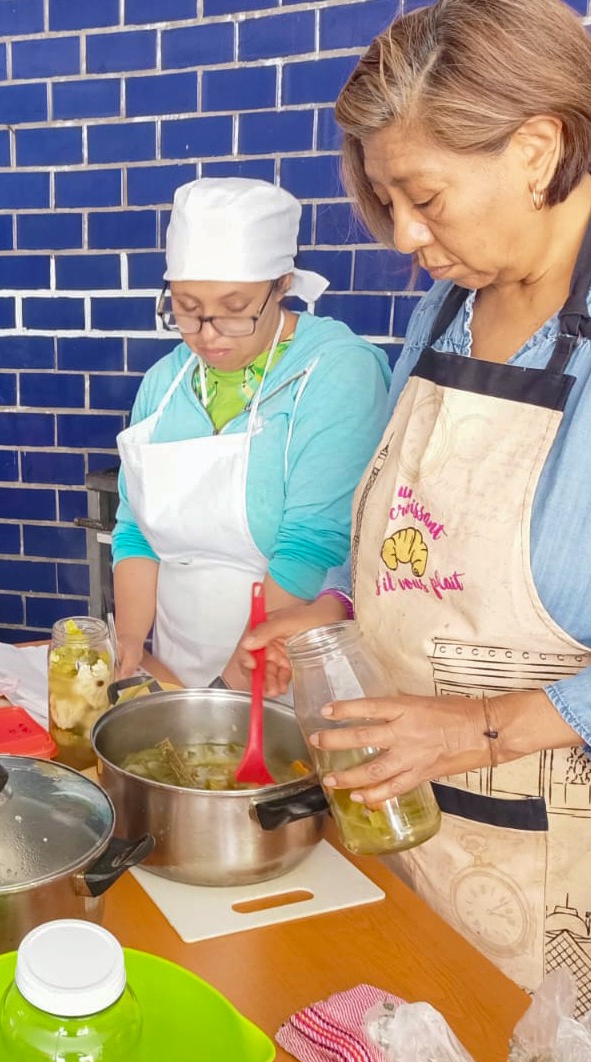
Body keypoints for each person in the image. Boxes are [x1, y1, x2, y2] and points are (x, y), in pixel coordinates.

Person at [223, 2, 591, 1062]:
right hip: (397, 820)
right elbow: (424, 537)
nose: (403, 236)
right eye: (384, 200)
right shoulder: (450, 307)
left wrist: (476, 728)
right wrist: (338, 612)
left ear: (537, 148)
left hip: (559, 870)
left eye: (423, 198)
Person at [110, 177, 391, 687]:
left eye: (235, 310)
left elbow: (314, 545)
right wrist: (129, 644)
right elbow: (135, 530)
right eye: (187, 309)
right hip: (177, 667)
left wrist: (225, 697)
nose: (208, 334)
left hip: (291, 676)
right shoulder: (164, 383)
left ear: (282, 284)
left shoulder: (337, 372)